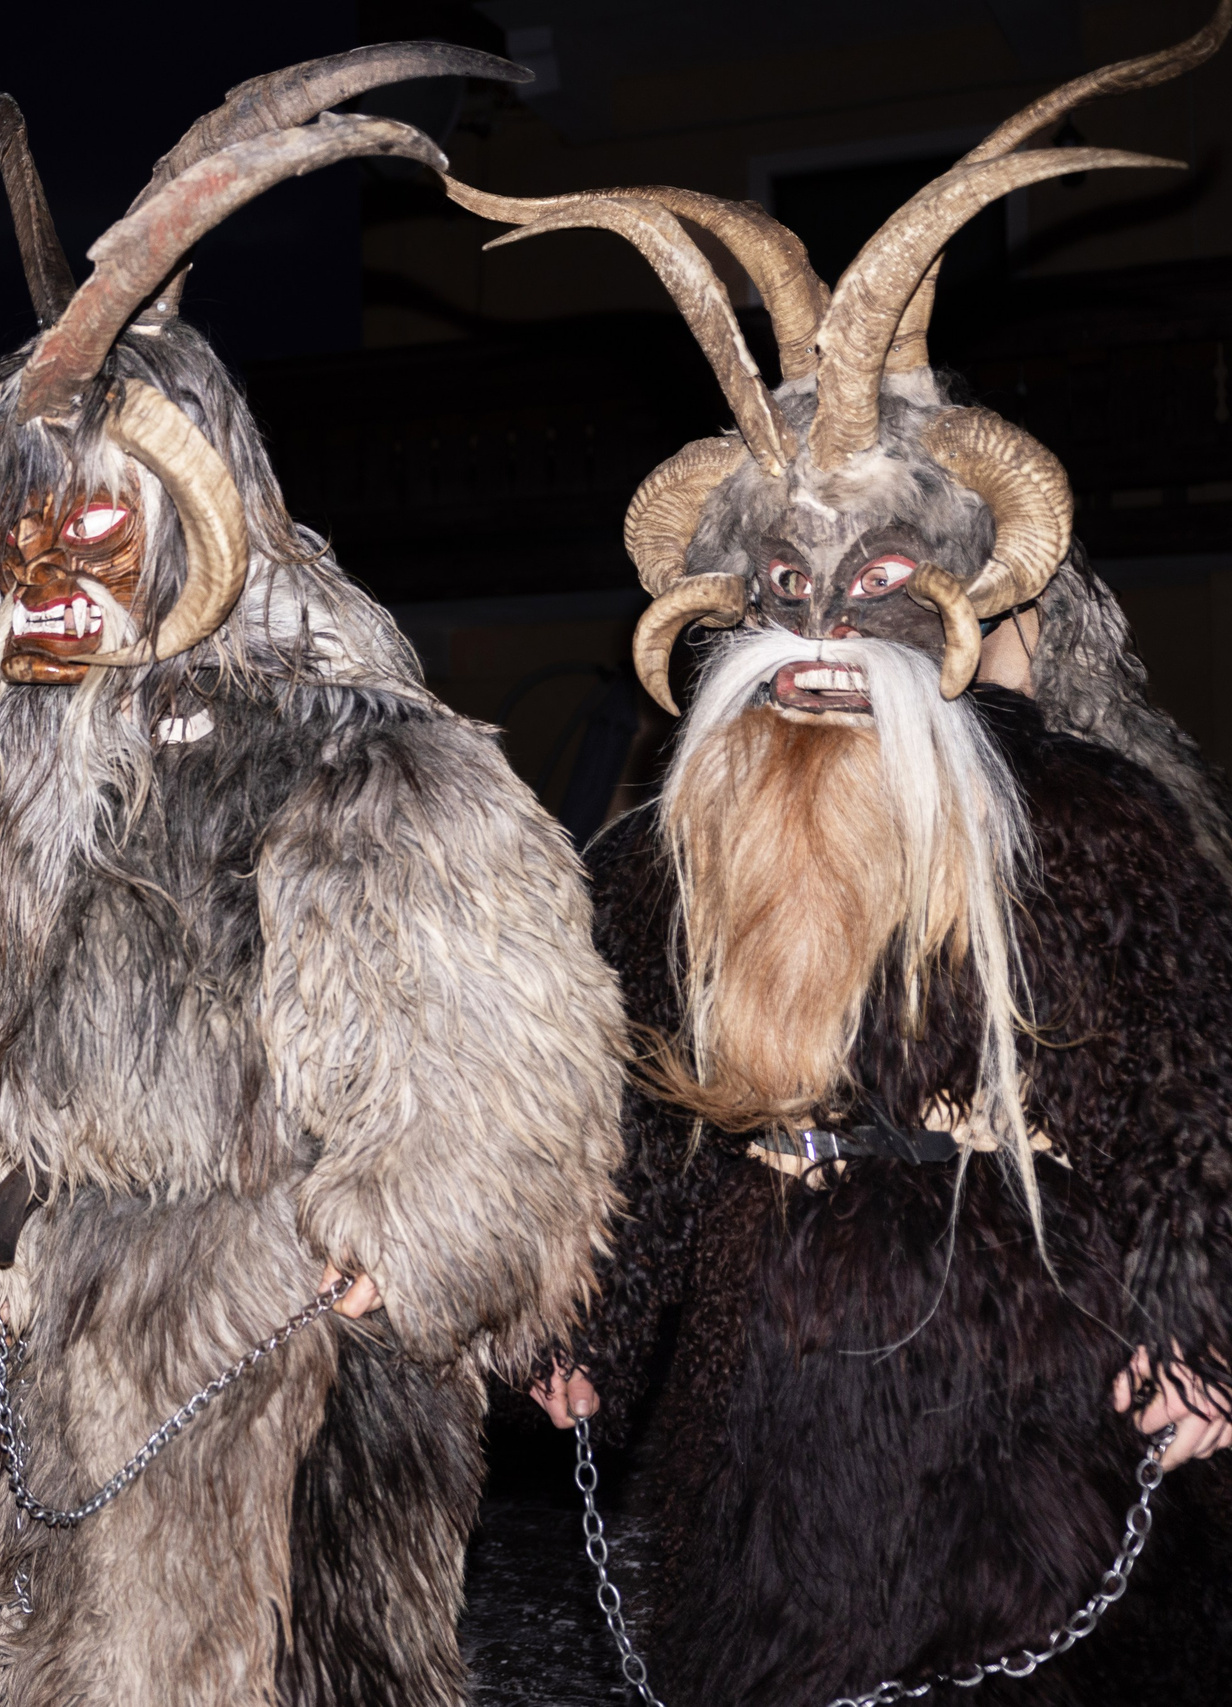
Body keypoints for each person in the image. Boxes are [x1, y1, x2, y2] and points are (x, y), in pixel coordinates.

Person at [0, 48, 625, 1707]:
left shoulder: (348, 747)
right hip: (77, 1342)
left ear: (185, 518)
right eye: (18, 533)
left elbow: (472, 1014)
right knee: (83, 1659)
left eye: (91, 522)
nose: (50, 571)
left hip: (294, 1341)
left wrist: (409, 1230)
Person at [454, 9, 1232, 1700]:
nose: (815, 628)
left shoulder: (1095, 826)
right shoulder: (684, 833)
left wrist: (1207, 1335)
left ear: (955, 597)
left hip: (1026, 1378)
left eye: (869, 583)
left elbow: (1190, 1100)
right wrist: (600, 1320)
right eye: (779, 589)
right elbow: (660, 1112)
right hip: (760, 1394)